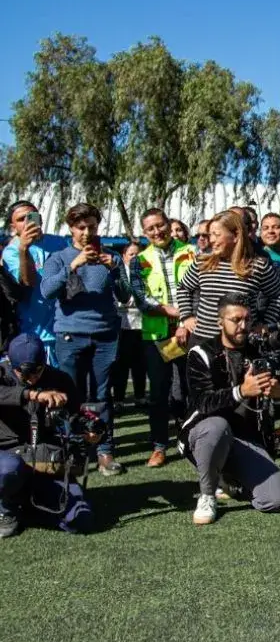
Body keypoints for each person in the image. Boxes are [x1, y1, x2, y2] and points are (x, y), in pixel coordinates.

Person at [179, 295, 280, 525]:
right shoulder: (201, 353)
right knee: (217, 427)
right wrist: (241, 391)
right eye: (236, 320)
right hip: (206, 433)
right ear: (220, 322)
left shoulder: (259, 352)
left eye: (247, 319)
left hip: (248, 439)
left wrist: (278, 395)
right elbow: (203, 403)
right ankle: (208, 494)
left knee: (277, 500)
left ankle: (230, 481)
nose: (243, 325)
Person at [40, 203, 130, 476]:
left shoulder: (111, 256)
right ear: (71, 229)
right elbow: (47, 291)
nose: (87, 232)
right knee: (71, 395)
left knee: (102, 395)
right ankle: (75, 450)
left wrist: (115, 269)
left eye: (92, 226)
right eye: (81, 227)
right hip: (70, 335)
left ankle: (105, 452)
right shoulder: (59, 257)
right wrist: (74, 266)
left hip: (105, 336)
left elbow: (125, 296)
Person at [0, 334, 94, 536]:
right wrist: (31, 394)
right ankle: (5, 508)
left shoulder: (58, 379)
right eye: (24, 374)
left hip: (43, 459)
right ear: (11, 363)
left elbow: (75, 416)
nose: (32, 378)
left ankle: (29, 503)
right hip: (6, 453)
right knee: (8, 470)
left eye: (37, 371)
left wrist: (90, 433)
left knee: (80, 519)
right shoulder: (3, 374)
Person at [129, 208, 199, 467]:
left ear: (169, 224)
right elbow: (141, 298)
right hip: (156, 335)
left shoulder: (192, 252)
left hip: (190, 331)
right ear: (144, 232)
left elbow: (200, 290)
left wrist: (185, 320)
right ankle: (159, 446)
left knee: (192, 388)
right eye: (151, 229)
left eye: (161, 225)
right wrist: (172, 312)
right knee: (158, 392)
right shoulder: (139, 260)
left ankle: (192, 438)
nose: (157, 232)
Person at [177, 210, 280, 347]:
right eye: (210, 235)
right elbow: (183, 288)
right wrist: (186, 316)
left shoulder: (257, 266)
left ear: (235, 235)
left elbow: (278, 295)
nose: (211, 240)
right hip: (203, 341)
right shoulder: (202, 263)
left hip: (241, 344)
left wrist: (266, 324)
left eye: (216, 235)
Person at [3, 201, 58, 362]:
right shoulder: (12, 251)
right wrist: (24, 249)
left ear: (39, 218)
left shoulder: (59, 243)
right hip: (33, 334)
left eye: (31, 216)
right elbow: (28, 282)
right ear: (13, 227)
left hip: (64, 330)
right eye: (21, 219)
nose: (27, 221)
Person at [112, 241, 148, 409]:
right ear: (124, 257)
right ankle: (118, 399)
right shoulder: (118, 274)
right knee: (121, 364)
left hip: (142, 324)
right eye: (131, 254)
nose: (135, 257)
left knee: (140, 362)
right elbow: (119, 298)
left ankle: (140, 396)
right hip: (123, 324)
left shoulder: (145, 272)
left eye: (137, 254)